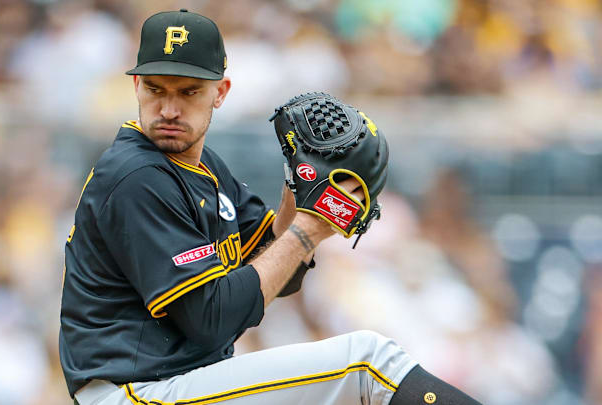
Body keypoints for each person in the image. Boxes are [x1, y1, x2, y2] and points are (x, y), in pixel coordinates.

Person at [59, 9, 482, 405]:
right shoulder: (138, 176)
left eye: (188, 92)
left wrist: (298, 194)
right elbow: (211, 319)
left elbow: (275, 263)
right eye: (156, 89)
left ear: (220, 92)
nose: (169, 108)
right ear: (135, 86)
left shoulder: (202, 166)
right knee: (368, 364)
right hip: (134, 392)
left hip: (177, 383)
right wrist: (310, 228)